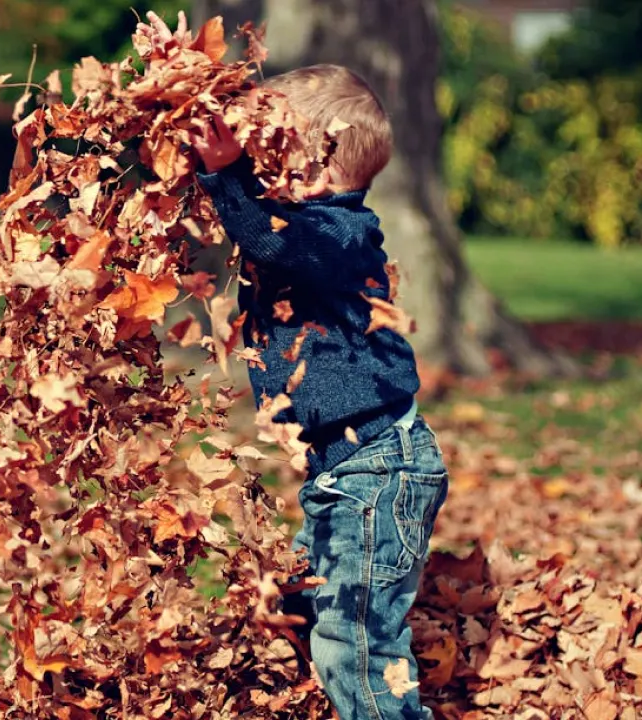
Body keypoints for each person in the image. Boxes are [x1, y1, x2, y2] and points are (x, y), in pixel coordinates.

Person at [138, 11, 450, 720]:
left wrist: (228, 180)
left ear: (314, 161)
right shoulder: (306, 227)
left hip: (378, 471)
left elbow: (273, 240)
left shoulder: (341, 233)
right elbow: (257, 226)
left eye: (269, 155)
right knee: (308, 604)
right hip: (344, 471)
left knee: (358, 645)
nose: (257, 172)